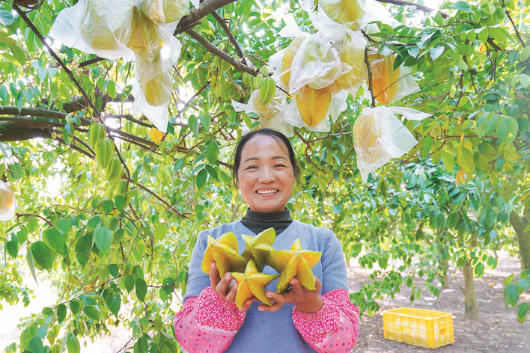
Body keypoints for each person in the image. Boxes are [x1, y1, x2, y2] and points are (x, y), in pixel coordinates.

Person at [174, 129, 359, 352]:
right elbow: (192, 342)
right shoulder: (211, 242)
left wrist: (312, 306)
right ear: (237, 177)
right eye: (252, 167)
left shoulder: (323, 242)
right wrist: (220, 304)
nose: (266, 177)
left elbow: (344, 343)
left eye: (279, 165)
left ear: (294, 173)